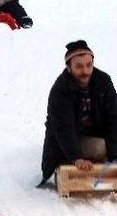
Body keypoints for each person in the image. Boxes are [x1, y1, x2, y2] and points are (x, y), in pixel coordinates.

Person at [38, 41, 117, 186]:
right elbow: (63, 127)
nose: (85, 71)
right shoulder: (60, 90)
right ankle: (70, 156)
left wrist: (114, 156)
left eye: (89, 65)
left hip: (95, 131)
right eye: (79, 66)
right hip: (69, 136)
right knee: (100, 147)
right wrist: (76, 158)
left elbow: (113, 117)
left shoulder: (103, 81)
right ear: (69, 68)